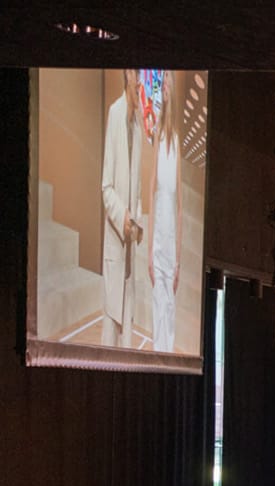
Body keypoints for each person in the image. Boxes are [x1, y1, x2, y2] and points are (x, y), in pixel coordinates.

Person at [101, 69, 145, 348]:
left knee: (127, 334)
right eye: (136, 73)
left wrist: (136, 221)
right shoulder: (115, 113)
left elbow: (137, 187)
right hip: (116, 238)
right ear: (127, 75)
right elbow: (106, 186)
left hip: (130, 243)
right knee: (110, 328)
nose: (139, 79)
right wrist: (124, 217)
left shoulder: (138, 121)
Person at [146, 72, 181, 353]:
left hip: (170, 227)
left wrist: (179, 258)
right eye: (164, 84)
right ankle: (159, 351)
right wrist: (148, 250)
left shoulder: (176, 140)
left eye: (169, 84)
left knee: (170, 302)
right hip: (158, 225)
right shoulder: (157, 133)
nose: (165, 88)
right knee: (158, 295)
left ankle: (167, 352)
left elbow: (179, 202)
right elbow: (151, 189)